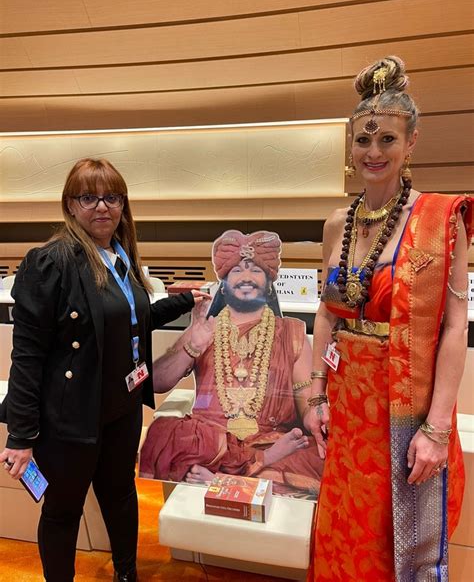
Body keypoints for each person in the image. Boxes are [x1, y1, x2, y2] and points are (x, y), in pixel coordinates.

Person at [0, 158, 208, 582]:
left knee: (120, 496)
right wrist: (20, 436)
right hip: (70, 419)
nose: (101, 207)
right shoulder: (50, 262)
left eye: (112, 197)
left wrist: (188, 301)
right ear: (70, 205)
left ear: (123, 204)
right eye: (88, 197)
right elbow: (27, 357)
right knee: (63, 511)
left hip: (121, 410)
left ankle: (126, 574)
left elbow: (131, 319)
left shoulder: (118, 254)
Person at [307, 56, 473, 581]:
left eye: (387, 140)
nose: (373, 152)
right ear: (350, 146)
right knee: (342, 538)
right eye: (363, 140)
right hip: (348, 415)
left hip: (406, 415)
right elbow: (326, 314)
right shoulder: (338, 223)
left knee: (390, 546)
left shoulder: (441, 220)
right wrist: (315, 396)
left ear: (411, 143)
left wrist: (438, 428)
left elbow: (454, 326)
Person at [140, 230, 325, 498]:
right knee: (166, 434)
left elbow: (306, 400)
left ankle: (222, 480)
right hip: (212, 443)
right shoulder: (205, 327)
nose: (246, 278)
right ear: (224, 282)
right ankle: (240, 478)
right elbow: (157, 382)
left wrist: (315, 415)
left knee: (323, 455)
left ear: (269, 280)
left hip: (270, 441)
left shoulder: (292, 332)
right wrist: (193, 344)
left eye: (255, 270)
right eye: (236, 270)